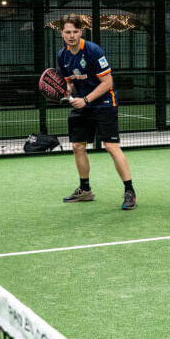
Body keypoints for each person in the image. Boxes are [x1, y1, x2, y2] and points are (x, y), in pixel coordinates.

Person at [57, 14, 136, 209]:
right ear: (62, 34)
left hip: (104, 103)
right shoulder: (62, 55)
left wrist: (85, 100)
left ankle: (129, 192)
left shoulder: (93, 51)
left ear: (81, 32)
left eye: (75, 31)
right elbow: (70, 82)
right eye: (68, 32)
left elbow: (108, 83)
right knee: (77, 146)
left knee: (111, 146)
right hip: (83, 104)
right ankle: (85, 191)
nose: (72, 35)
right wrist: (68, 91)